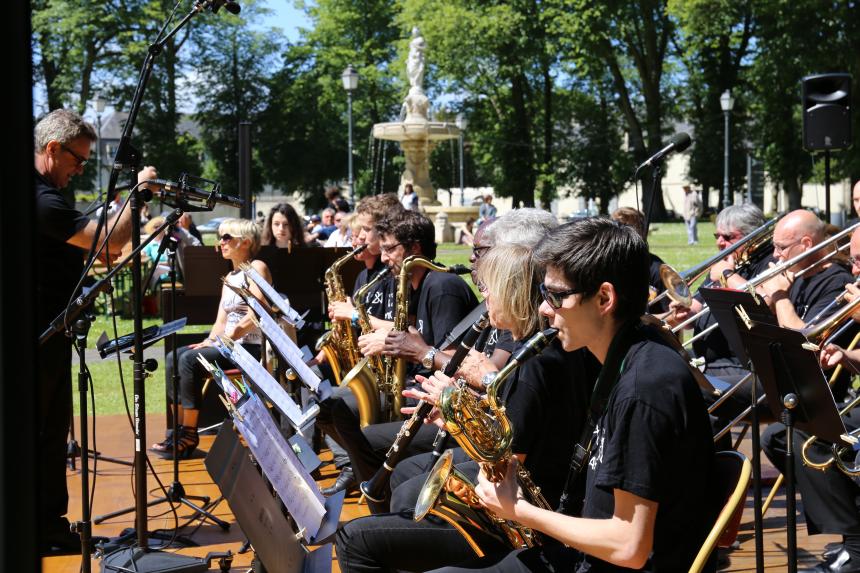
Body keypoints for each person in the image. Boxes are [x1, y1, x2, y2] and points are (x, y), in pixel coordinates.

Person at [428, 217, 717, 572]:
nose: (544, 308)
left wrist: (519, 510)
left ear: (604, 298)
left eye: (556, 295)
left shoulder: (644, 389)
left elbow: (629, 546)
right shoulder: (622, 361)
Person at [335, 242, 597, 573]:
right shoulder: (539, 350)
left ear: (511, 292)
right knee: (403, 492)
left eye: (489, 289)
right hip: (522, 503)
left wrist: (457, 418)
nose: (484, 298)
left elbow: (506, 467)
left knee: (352, 539)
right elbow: (520, 428)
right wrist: (457, 415)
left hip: (518, 519)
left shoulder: (533, 366)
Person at [35, 108, 156, 555]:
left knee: (51, 437)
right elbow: (109, 241)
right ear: (52, 149)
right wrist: (137, 197)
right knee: (40, 436)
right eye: (77, 160)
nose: (81, 169)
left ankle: (49, 528)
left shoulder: (48, 196)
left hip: (52, 337)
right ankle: (40, 530)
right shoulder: (42, 200)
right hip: (39, 340)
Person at [318, 210, 478, 495]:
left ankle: (376, 489)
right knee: (331, 408)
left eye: (390, 249)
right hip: (412, 386)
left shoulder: (442, 287)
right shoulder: (415, 285)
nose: (383, 257)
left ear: (415, 249)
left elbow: (450, 358)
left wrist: (393, 343)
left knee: (349, 423)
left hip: (432, 397)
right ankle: (368, 478)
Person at [761, 226, 860, 573]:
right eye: (855, 260)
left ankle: (855, 546)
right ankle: (851, 534)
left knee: (806, 434)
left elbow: (803, 340)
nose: (854, 270)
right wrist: (848, 354)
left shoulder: (833, 279)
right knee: (776, 435)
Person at [150, 218, 272, 459]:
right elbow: (221, 322)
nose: (221, 242)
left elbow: (258, 312)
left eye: (226, 237)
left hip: (250, 348)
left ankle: (189, 435)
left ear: (245, 242)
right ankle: (177, 431)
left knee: (188, 361)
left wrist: (230, 337)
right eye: (220, 237)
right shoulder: (230, 278)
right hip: (230, 346)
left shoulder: (256, 267)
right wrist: (211, 340)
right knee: (174, 357)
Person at [318, 193, 404, 495]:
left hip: (393, 380)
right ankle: (353, 465)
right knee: (321, 398)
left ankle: (361, 470)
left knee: (331, 403)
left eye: (365, 230)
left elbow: (407, 329)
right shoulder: (366, 277)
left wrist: (354, 315)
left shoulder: (397, 276)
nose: (358, 236)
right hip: (370, 369)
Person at [610, 207, 668, 312]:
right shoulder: (607, 266)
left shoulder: (658, 270)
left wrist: (643, 320)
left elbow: (675, 318)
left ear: (642, 232)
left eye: (628, 230)